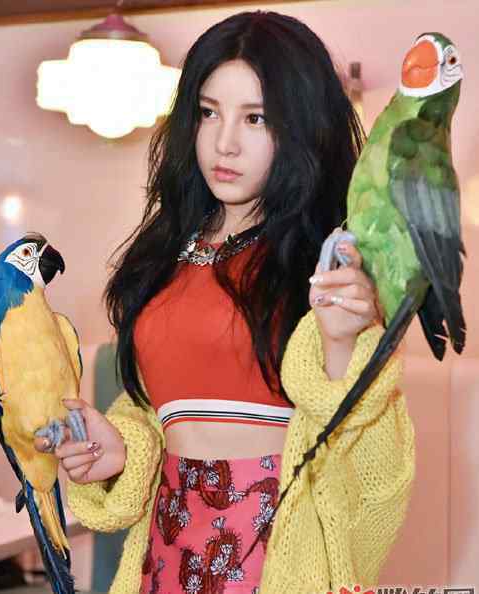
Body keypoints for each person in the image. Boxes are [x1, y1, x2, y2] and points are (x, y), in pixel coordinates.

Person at [34, 10, 415, 594]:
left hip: (276, 552)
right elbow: (153, 413)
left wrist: (343, 341)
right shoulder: (165, 252)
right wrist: (119, 451)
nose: (224, 142)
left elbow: (371, 463)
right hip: (167, 547)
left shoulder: (332, 262)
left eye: (256, 118)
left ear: (302, 128)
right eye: (209, 112)